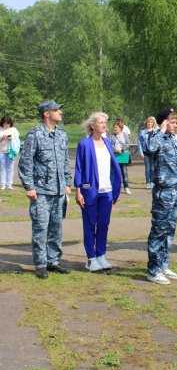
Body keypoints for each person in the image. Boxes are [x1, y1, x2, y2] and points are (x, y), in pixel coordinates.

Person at [18, 100, 71, 279]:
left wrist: (67, 183)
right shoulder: (35, 134)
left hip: (58, 191)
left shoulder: (62, 135)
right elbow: (26, 162)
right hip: (40, 191)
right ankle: (40, 264)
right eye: (56, 110)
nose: (60, 113)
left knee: (56, 228)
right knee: (41, 228)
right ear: (46, 113)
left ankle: (53, 261)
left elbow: (64, 161)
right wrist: (29, 186)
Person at [74, 112, 122, 272]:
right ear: (92, 125)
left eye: (105, 122)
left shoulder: (108, 142)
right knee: (89, 224)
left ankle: (101, 255)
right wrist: (78, 191)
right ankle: (91, 258)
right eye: (100, 122)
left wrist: (115, 189)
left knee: (103, 224)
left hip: (106, 191)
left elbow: (113, 168)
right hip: (89, 190)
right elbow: (79, 168)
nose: (104, 125)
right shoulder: (85, 144)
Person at [143, 107, 177, 285]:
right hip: (163, 191)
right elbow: (149, 149)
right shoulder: (156, 137)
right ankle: (153, 270)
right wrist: (161, 130)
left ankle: (163, 264)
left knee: (169, 230)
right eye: (173, 121)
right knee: (158, 230)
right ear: (164, 122)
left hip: (174, 189)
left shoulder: (171, 139)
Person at [110, 120, 131, 194]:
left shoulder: (125, 135)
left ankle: (126, 187)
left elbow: (128, 144)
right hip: (115, 155)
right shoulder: (112, 136)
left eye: (116, 127)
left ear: (120, 128)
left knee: (124, 172)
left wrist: (121, 148)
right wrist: (115, 149)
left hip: (123, 155)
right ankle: (114, 187)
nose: (114, 128)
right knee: (114, 172)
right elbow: (110, 145)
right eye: (114, 127)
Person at [0, 115, 20, 190]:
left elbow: (17, 139)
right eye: (5, 123)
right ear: (2, 123)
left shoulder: (14, 129)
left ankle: (9, 184)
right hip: (1, 151)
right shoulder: (0, 129)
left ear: (10, 123)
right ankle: (2, 184)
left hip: (11, 151)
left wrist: (11, 138)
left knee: (10, 168)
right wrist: (2, 138)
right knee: (2, 168)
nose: (6, 125)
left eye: (8, 123)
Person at [138, 116, 158, 189]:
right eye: (148, 122)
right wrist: (141, 153)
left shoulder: (156, 131)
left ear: (153, 123)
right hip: (146, 152)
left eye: (151, 122)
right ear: (146, 123)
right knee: (147, 168)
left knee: (153, 168)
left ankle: (152, 182)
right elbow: (140, 143)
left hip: (154, 152)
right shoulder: (142, 132)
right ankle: (148, 182)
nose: (149, 123)